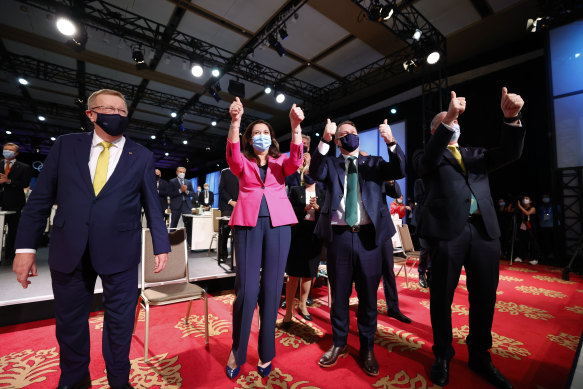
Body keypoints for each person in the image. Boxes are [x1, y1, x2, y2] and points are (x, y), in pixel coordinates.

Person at [12, 88, 170, 389]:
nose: (117, 115)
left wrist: (160, 245)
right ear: (91, 114)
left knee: (120, 324)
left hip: (121, 253)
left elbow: (153, 205)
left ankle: (119, 382)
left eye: (122, 111)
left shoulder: (142, 155)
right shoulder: (65, 146)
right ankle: (74, 381)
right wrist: (25, 247)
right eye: (109, 109)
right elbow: (40, 199)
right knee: (70, 324)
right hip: (69, 248)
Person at [414, 87, 524, 388]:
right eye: (449, 122)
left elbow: (511, 152)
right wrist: (448, 116)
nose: (455, 125)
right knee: (442, 298)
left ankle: (479, 354)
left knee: (485, 297)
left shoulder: (475, 154)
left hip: (485, 232)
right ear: (438, 128)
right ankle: (443, 355)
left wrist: (511, 120)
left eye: (457, 121)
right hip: (447, 234)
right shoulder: (426, 155)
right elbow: (428, 159)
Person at [310, 118, 405, 377]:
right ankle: (339, 343)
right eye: (343, 134)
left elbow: (399, 170)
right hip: (339, 238)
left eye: (353, 133)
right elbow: (312, 174)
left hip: (369, 239)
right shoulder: (330, 163)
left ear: (358, 138)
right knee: (339, 296)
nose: (349, 136)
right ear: (337, 140)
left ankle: (367, 347)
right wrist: (324, 141)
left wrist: (391, 142)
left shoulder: (373, 163)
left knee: (368, 298)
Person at [225, 97, 304, 379]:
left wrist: (295, 127)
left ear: (272, 139)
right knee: (246, 290)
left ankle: (266, 352)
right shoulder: (243, 163)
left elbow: (296, 161)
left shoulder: (280, 162)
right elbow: (232, 157)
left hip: (279, 224)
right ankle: (237, 349)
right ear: (250, 138)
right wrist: (235, 123)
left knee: (272, 288)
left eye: (265, 133)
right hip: (247, 223)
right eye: (256, 133)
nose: (261, 136)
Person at [282, 172, 325, 328]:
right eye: (307, 172)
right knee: (293, 274)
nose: (309, 175)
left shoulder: (323, 192)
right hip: (297, 235)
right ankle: (288, 311)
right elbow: (288, 210)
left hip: (314, 236)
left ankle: (302, 305)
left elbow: (327, 214)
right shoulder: (295, 190)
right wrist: (305, 208)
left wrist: (318, 208)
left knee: (308, 274)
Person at [382, 180, 412, 322]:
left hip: (382, 229)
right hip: (362, 230)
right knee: (367, 274)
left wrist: (391, 179)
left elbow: (396, 192)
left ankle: (393, 308)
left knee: (388, 271)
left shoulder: (375, 166)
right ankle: (366, 306)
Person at [0, 142, 32, 265]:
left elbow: (24, 183)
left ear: (16, 153)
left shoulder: (24, 167)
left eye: (10, 150)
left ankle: (10, 255)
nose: (7, 151)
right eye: (5, 149)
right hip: (1, 200)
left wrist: (8, 180)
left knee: (13, 230)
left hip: (15, 202)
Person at [411, 178, 430, 288]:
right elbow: (419, 198)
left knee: (434, 249)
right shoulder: (419, 181)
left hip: (435, 221)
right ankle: (421, 274)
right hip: (422, 221)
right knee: (425, 248)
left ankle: (430, 273)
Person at [218, 167, 239, 268]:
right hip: (227, 206)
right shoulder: (225, 172)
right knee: (225, 233)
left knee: (238, 233)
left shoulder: (245, 171)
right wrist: (231, 201)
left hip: (241, 206)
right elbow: (221, 190)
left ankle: (236, 256)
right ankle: (223, 254)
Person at [169, 166, 193, 246]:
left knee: (189, 225)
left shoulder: (188, 182)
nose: (182, 173)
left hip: (186, 205)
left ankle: (189, 243)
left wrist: (186, 191)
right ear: (176, 172)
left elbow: (192, 193)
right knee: (174, 223)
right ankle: (170, 242)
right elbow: (170, 194)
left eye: (183, 172)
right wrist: (180, 190)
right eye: (180, 171)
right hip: (176, 205)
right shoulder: (172, 181)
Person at [515, 195, 539, 265]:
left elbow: (527, 213)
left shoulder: (533, 208)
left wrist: (520, 206)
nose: (525, 199)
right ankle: (520, 257)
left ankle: (534, 259)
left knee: (533, 243)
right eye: (524, 198)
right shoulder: (521, 209)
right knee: (522, 242)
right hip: (523, 226)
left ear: (530, 201)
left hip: (531, 227)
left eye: (527, 198)